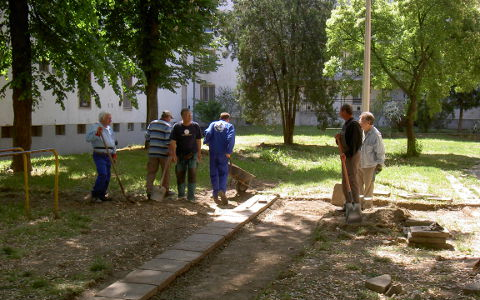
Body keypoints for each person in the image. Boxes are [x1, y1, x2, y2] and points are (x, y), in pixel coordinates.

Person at [169, 108, 202, 201]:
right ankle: (181, 195)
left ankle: (191, 197)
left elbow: (198, 140)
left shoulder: (195, 126)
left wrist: (199, 153)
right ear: (183, 116)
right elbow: (172, 142)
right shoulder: (177, 127)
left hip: (193, 154)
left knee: (192, 174)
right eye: (188, 115)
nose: (190, 116)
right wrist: (173, 155)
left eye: (190, 114)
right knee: (180, 174)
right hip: (180, 155)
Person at [204, 112, 236, 205]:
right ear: (228, 119)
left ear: (220, 118)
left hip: (213, 152)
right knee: (223, 173)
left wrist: (207, 141)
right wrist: (229, 151)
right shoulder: (229, 126)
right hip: (223, 153)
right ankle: (222, 190)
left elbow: (208, 132)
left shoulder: (213, 124)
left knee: (214, 173)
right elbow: (231, 138)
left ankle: (215, 193)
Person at [335, 104, 363, 209]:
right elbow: (344, 141)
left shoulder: (354, 125)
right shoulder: (346, 124)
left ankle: (356, 205)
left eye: (340, 111)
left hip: (352, 155)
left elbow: (355, 143)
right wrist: (338, 139)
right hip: (345, 155)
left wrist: (346, 155)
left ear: (345, 111)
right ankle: (348, 204)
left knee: (352, 180)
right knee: (345, 180)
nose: (339, 113)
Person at [86, 111, 117, 203]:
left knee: (107, 175)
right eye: (109, 118)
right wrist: (97, 133)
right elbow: (88, 138)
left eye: (110, 118)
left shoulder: (109, 129)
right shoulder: (96, 127)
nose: (111, 120)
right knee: (103, 174)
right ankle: (95, 194)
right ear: (102, 119)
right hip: (99, 154)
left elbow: (112, 142)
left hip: (109, 154)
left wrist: (114, 153)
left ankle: (102, 194)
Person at [145, 110, 175, 200]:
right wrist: (171, 152)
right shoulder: (167, 126)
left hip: (153, 152)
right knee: (165, 172)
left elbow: (147, 137)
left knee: (151, 172)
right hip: (164, 153)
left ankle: (149, 191)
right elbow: (168, 140)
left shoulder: (152, 123)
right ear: (167, 117)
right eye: (170, 118)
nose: (170, 120)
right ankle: (165, 191)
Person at [358, 112, 385, 199]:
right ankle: (359, 206)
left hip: (370, 166)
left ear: (369, 122)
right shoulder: (362, 132)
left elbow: (380, 151)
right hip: (360, 165)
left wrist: (379, 165)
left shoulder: (376, 135)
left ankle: (367, 207)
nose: (360, 122)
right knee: (359, 188)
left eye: (362, 121)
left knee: (368, 189)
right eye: (360, 120)